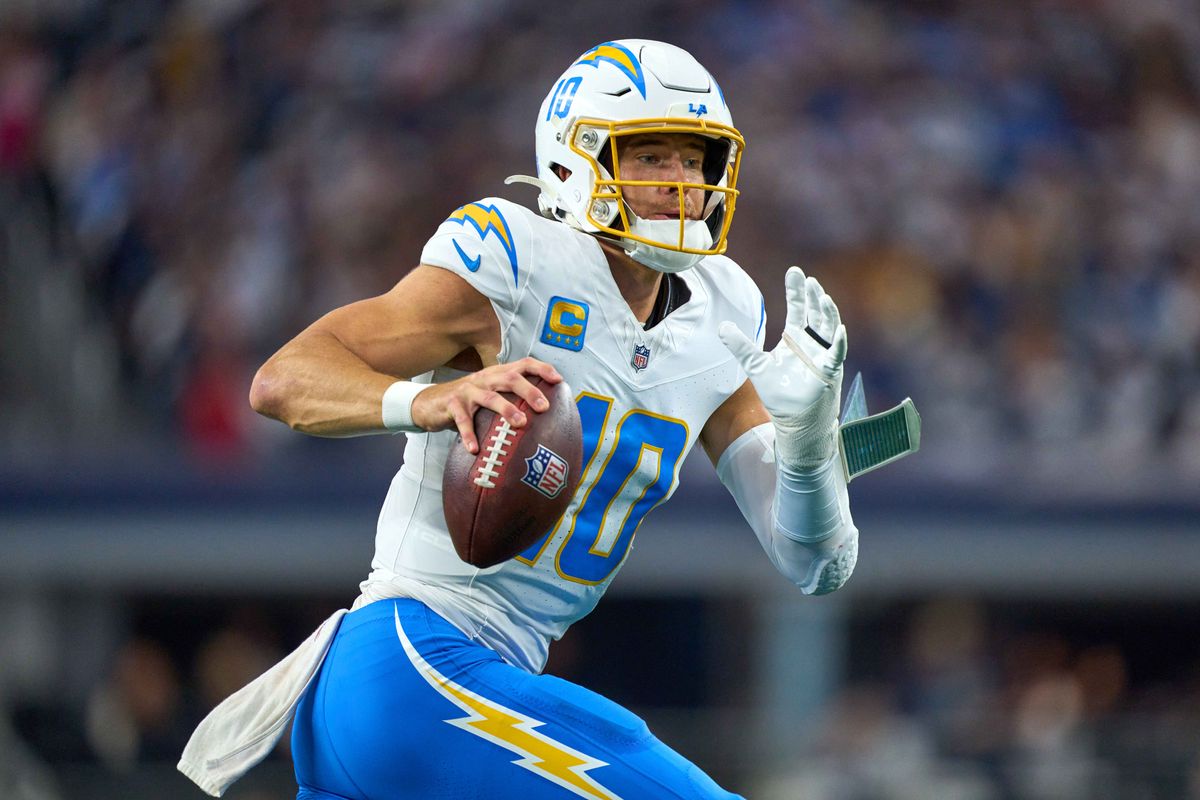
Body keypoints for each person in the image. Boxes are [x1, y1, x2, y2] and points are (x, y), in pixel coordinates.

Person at [180, 39, 859, 800]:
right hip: (412, 666)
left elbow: (816, 563)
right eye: (650, 156)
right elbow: (283, 380)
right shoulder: (517, 259)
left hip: (469, 695)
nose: (681, 182)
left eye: (694, 160)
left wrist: (807, 449)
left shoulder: (724, 313)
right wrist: (424, 402)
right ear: (574, 162)